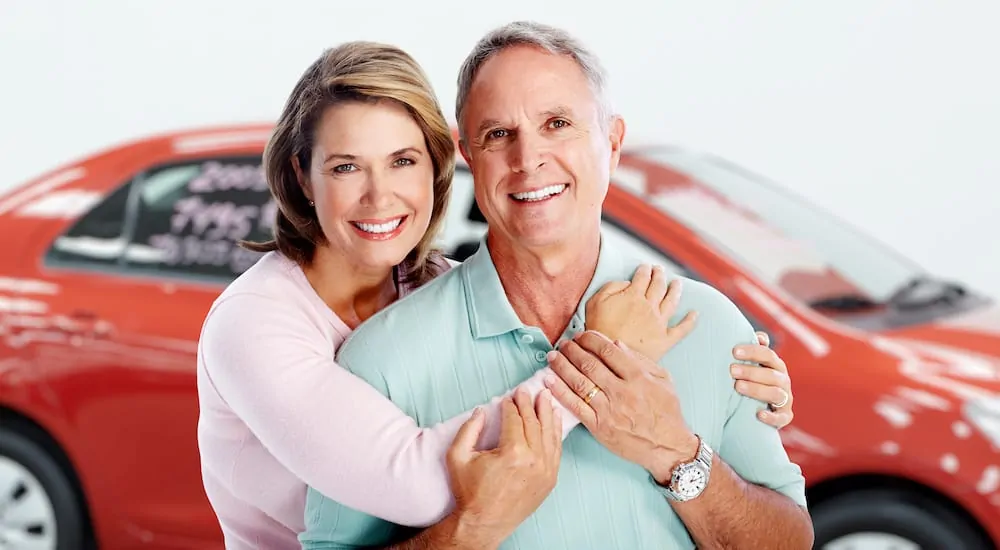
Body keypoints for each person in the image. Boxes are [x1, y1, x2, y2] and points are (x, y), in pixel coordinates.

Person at [196, 41, 797, 550]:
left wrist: (732, 377)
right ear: (303, 175)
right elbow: (415, 483)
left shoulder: (423, 282)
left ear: (437, 166)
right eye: (346, 167)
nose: (379, 198)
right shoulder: (258, 325)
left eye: (402, 161)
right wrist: (605, 354)